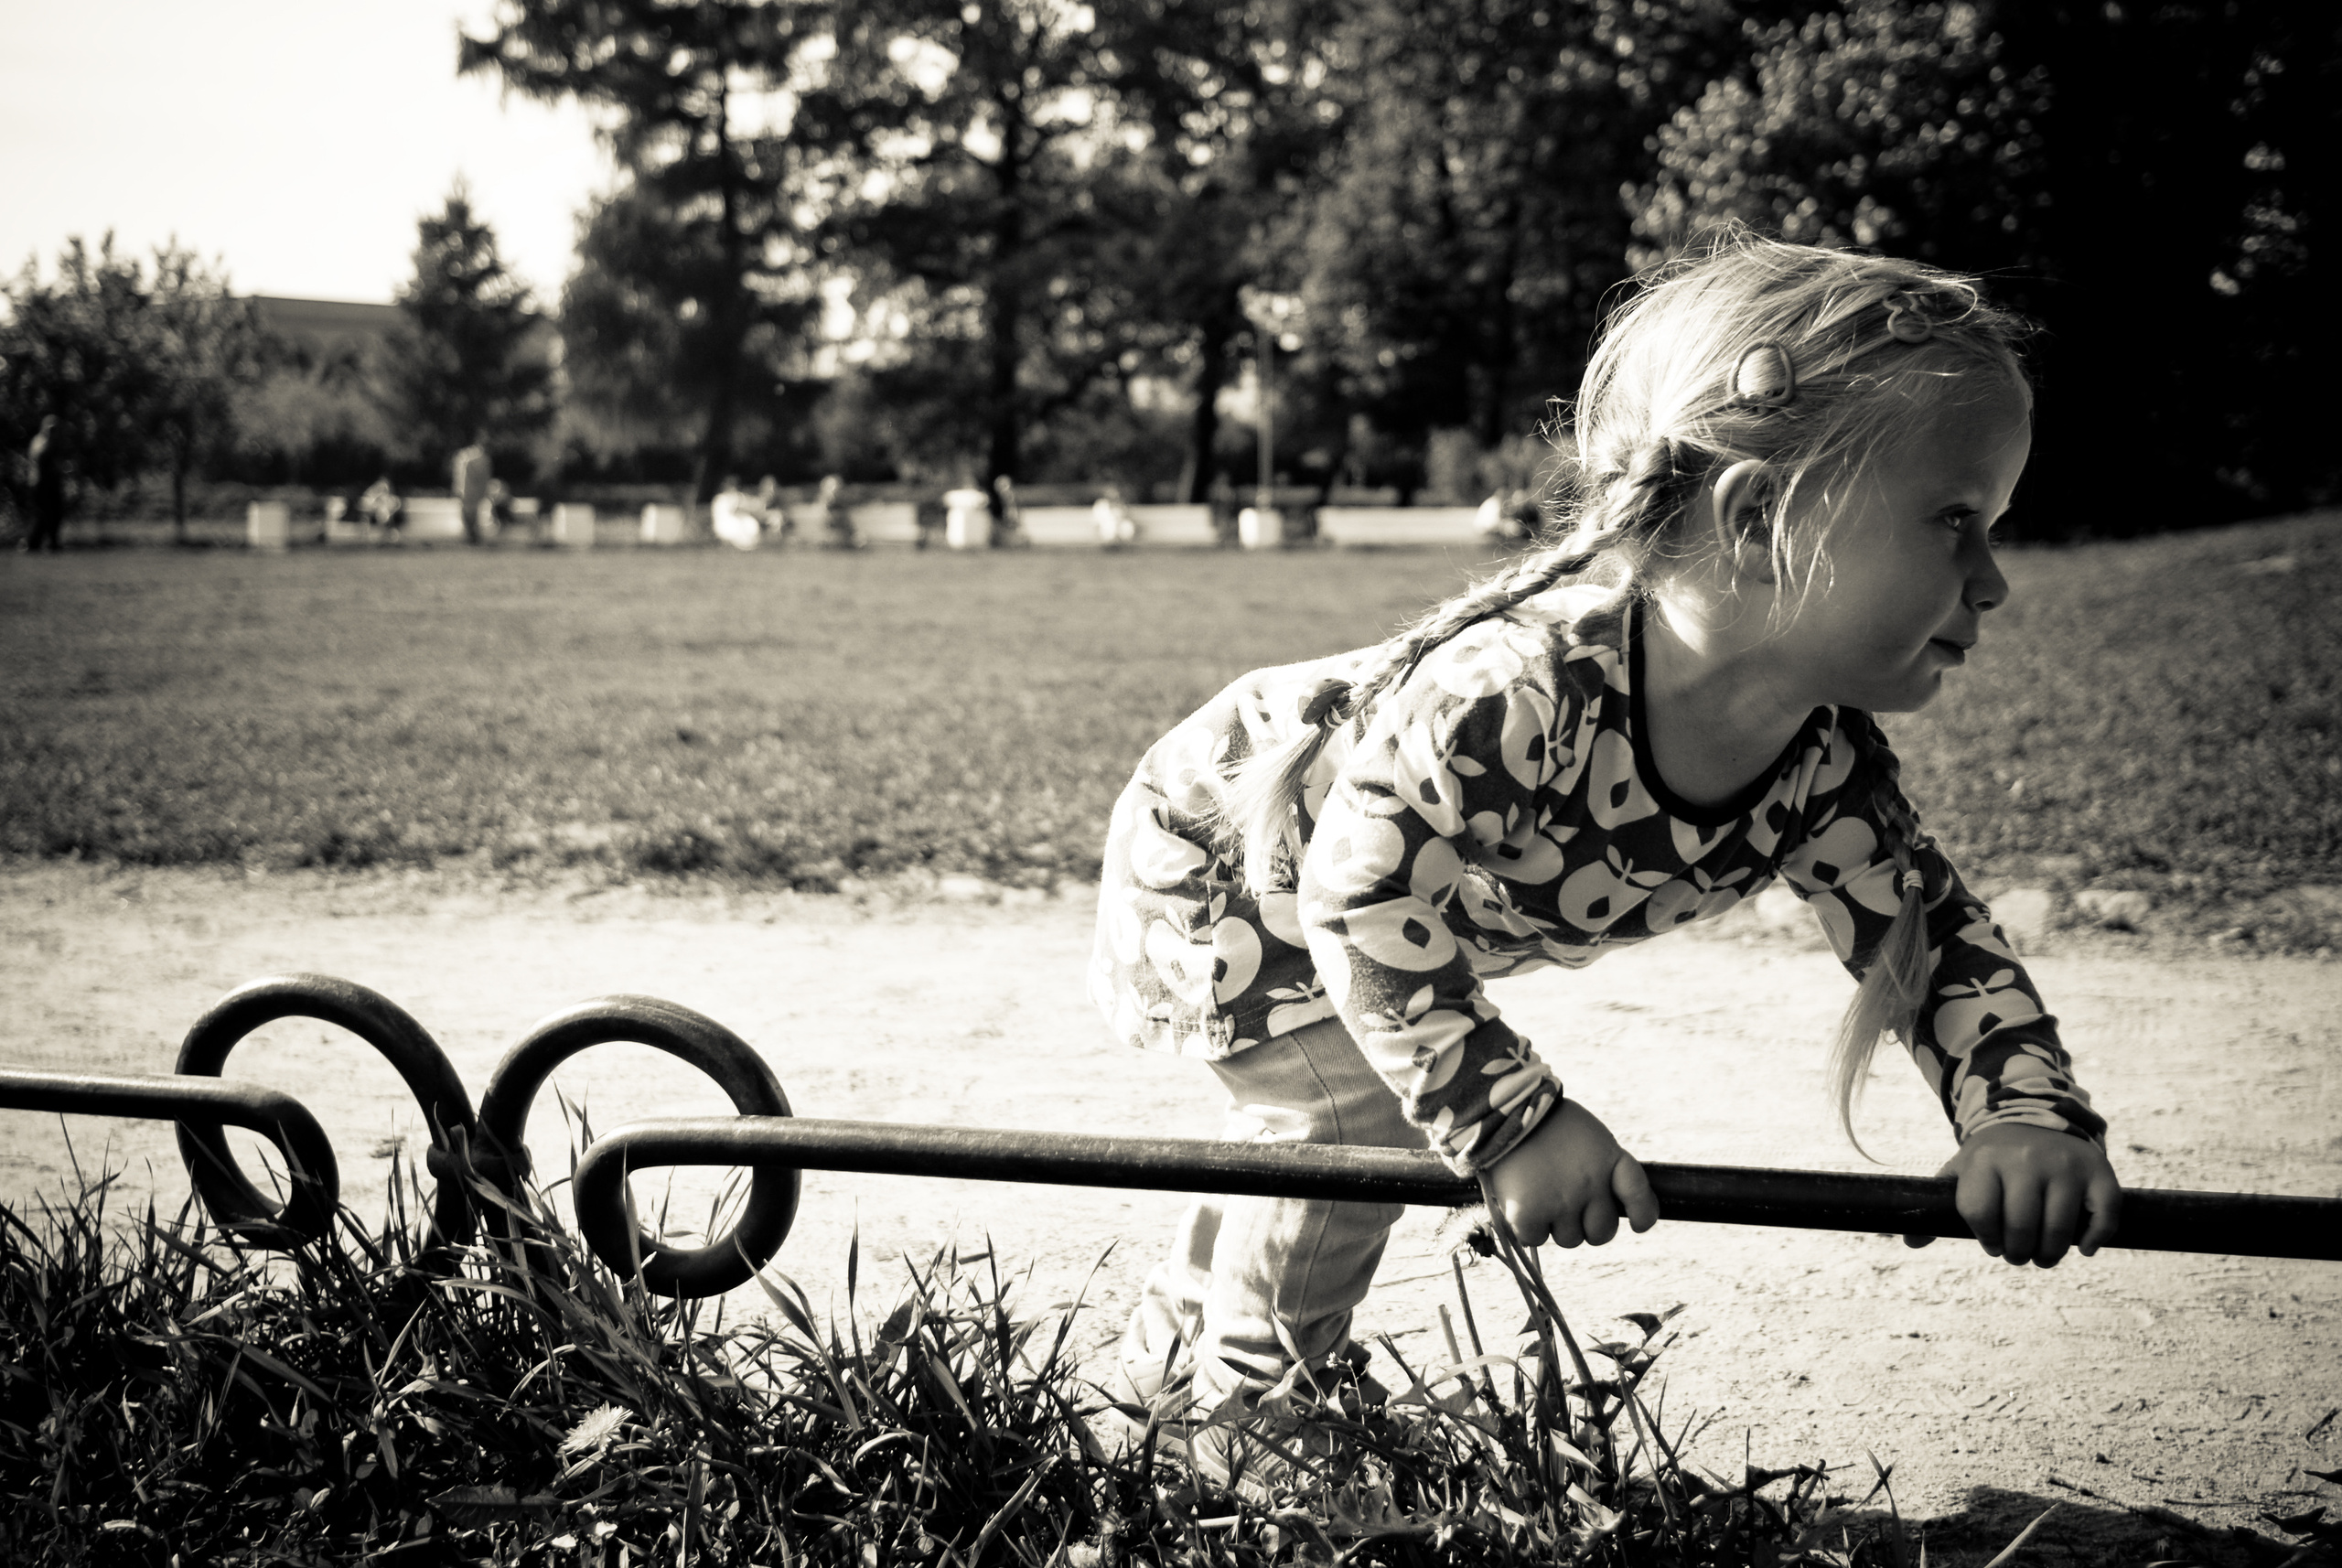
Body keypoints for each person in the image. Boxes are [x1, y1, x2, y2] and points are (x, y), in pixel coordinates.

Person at [1089, 234, 2121, 1502]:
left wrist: (2017, 1111)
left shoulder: (1820, 765)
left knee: (1315, 1118)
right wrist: (1514, 1119)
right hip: (1225, 856)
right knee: (1345, 1115)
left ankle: (1159, 1377)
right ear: (1756, 521)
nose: (1995, 578)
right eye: (1955, 521)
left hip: (1347, 899)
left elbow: (1925, 933)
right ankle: (1252, 1414)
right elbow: (1358, 897)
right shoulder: (1522, 690)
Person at [26, 414, 65, 553]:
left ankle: (52, 542)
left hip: (51, 483)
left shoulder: (55, 442)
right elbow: (40, 458)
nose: (52, 431)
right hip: (39, 484)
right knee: (41, 514)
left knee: (55, 514)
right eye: (50, 428)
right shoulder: (40, 441)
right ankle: (32, 543)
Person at [452, 435, 493, 544]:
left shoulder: (472, 457)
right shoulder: (469, 456)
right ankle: (471, 535)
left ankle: (472, 535)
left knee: (472, 512)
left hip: (472, 490)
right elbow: (462, 475)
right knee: (469, 512)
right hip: (469, 490)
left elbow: (484, 477)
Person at [711, 476, 762, 551]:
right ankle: (745, 546)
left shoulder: (736, 496)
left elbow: (754, 505)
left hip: (735, 523)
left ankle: (748, 546)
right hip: (725, 525)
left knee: (750, 523)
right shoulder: (720, 498)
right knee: (744, 526)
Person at [360, 476, 403, 541]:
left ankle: (387, 533)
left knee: (384, 516)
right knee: (381, 516)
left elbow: (395, 504)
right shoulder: (373, 493)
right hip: (377, 511)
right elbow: (367, 503)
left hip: (383, 512)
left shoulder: (388, 498)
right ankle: (383, 533)